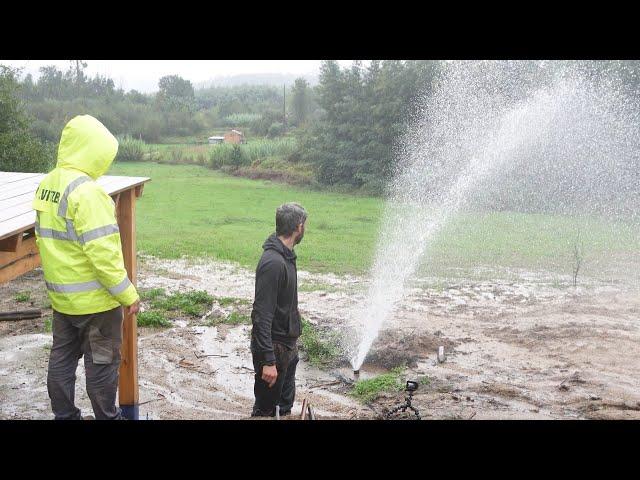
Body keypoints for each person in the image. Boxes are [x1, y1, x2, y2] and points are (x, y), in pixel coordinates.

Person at [33, 114, 140, 420]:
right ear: (93, 152)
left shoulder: (47, 184)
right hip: (98, 307)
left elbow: (43, 239)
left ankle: (65, 415)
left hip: (63, 301)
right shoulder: (89, 193)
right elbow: (104, 256)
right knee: (102, 364)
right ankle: (107, 416)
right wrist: (128, 295)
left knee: (62, 359)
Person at [250, 202, 307, 417]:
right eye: (305, 226)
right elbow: (261, 315)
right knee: (265, 412)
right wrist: (268, 360)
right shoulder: (273, 262)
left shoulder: (287, 256)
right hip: (274, 349)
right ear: (298, 227)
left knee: (283, 409)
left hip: (287, 346)